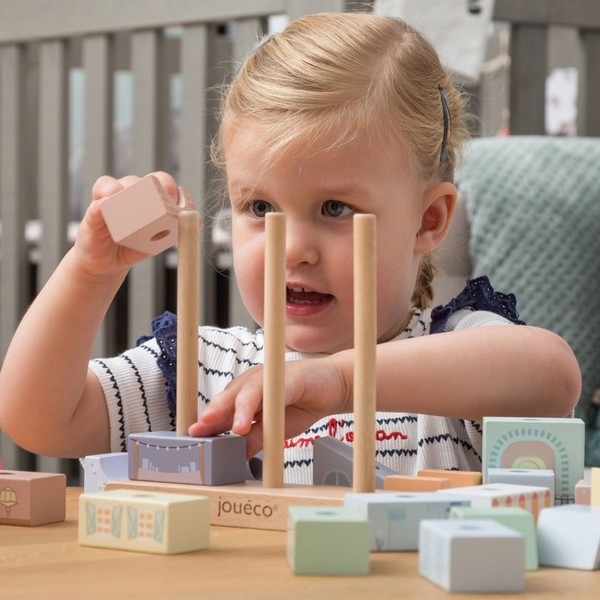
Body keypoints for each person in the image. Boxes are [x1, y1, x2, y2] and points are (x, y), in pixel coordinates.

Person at [0, 13, 580, 485]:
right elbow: (39, 419)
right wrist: (89, 270)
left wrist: (342, 382)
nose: (294, 250)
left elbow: (551, 376)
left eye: (334, 209)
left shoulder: (455, 355)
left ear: (429, 220)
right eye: (260, 209)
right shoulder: (206, 375)